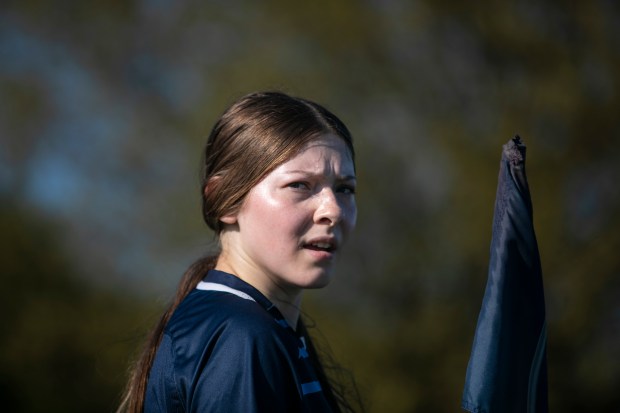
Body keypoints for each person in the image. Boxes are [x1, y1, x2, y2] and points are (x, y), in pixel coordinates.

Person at [117, 91, 362, 412]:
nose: (333, 211)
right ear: (225, 199)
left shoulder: (260, 328)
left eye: (345, 189)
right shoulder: (240, 339)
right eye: (300, 185)